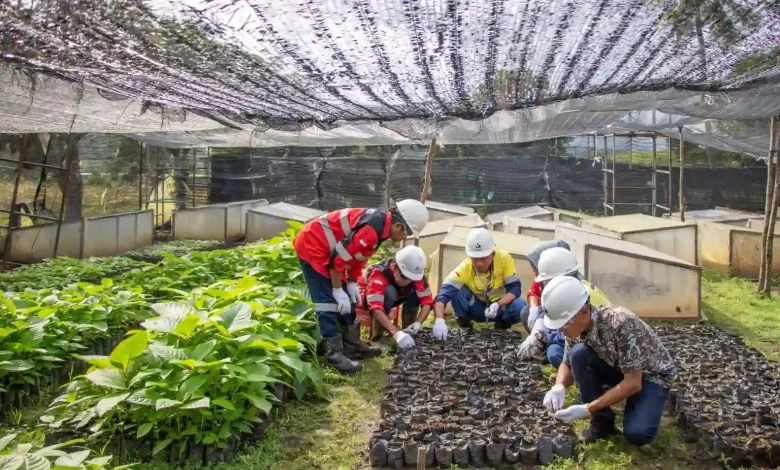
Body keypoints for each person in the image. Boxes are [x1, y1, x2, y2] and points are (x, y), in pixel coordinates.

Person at [294, 200, 429, 373]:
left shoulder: (381, 229)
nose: (404, 238)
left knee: (349, 298)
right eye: (406, 233)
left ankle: (352, 346)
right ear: (397, 225)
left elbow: (358, 256)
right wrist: (337, 289)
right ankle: (333, 355)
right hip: (314, 246)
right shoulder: (371, 230)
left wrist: (350, 282)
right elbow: (338, 259)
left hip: (333, 253)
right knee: (327, 302)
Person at [540, 276, 676, 446]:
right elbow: (566, 362)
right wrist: (558, 386)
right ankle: (603, 422)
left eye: (564, 324)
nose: (561, 330)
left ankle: (641, 402)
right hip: (618, 367)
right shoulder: (575, 328)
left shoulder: (621, 323)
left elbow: (634, 383)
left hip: (649, 376)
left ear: (584, 311)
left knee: (638, 433)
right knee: (578, 354)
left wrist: (587, 408)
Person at [517, 246, 610, 368]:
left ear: (559, 277)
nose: (543, 284)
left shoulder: (580, 295)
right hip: (579, 336)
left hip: (599, 346)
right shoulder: (569, 290)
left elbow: (574, 333)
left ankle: (586, 372)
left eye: (546, 280)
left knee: (556, 352)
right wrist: (540, 328)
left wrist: (545, 336)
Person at [430, 228, 527, 340]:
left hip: (498, 309)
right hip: (477, 307)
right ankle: (465, 325)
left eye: (483, 258)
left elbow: (515, 288)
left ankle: (501, 326)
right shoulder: (465, 267)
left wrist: (498, 304)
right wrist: (439, 321)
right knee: (456, 293)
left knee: (520, 305)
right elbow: (442, 296)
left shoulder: (504, 259)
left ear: (493, 254)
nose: (479, 263)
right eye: (475, 259)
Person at [358, 245, 433, 350]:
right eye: (403, 276)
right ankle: (377, 339)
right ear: (396, 266)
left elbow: (427, 302)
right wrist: (395, 332)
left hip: (396, 297)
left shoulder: (415, 276)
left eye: (411, 279)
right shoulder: (380, 273)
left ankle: (408, 332)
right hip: (367, 298)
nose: (406, 281)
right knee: (389, 292)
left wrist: (418, 323)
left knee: (414, 292)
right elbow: (375, 307)